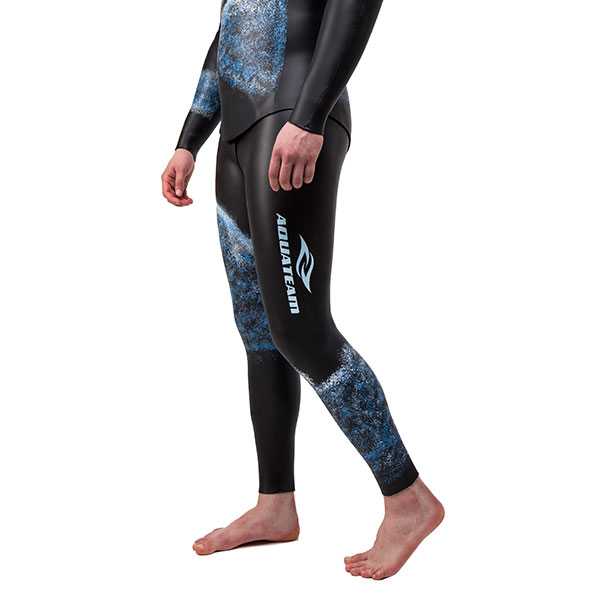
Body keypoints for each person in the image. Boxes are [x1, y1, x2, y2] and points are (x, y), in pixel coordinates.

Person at [161, 0, 444, 580]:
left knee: (300, 328)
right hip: (240, 133)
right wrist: (189, 139)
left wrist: (311, 116)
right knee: (260, 331)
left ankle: (407, 497)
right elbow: (232, 28)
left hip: (292, 117)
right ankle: (275, 505)